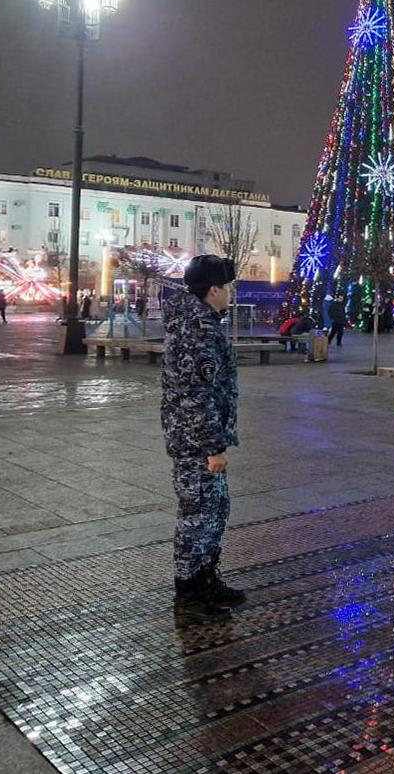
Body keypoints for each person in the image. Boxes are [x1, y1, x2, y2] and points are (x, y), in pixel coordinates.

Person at [162, 255, 245, 619]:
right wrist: (212, 447)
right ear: (213, 290)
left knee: (213, 512)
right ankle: (190, 594)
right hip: (196, 443)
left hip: (199, 439)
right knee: (197, 516)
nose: (230, 294)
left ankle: (205, 580)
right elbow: (196, 395)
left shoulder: (202, 322)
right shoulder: (197, 331)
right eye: (227, 288)